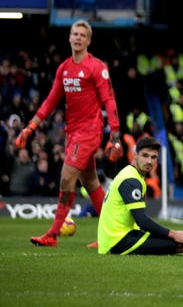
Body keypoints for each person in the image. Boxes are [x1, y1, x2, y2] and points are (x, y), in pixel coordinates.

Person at [16, 19, 124, 247]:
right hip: (72, 134)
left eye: (82, 35)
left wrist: (115, 136)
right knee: (91, 182)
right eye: (75, 34)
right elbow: (50, 101)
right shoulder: (64, 69)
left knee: (66, 177)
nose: (77, 38)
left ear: (88, 41)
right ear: (69, 37)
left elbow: (109, 100)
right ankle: (111, 234)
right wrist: (30, 127)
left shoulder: (97, 68)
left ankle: (52, 234)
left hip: (89, 133)